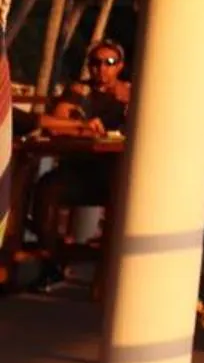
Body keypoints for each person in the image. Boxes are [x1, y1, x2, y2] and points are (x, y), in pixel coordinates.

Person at [25, 41, 132, 278]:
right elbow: (56, 123)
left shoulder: (130, 93)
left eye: (110, 62)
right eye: (96, 62)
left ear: (120, 66)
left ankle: (112, 271)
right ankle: (51, 260)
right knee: (46, 190)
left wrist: (128, 102)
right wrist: (81, 127)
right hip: (78, 169)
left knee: (126, 198)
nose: (102, 68)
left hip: (114, 172)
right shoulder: (79, 91)